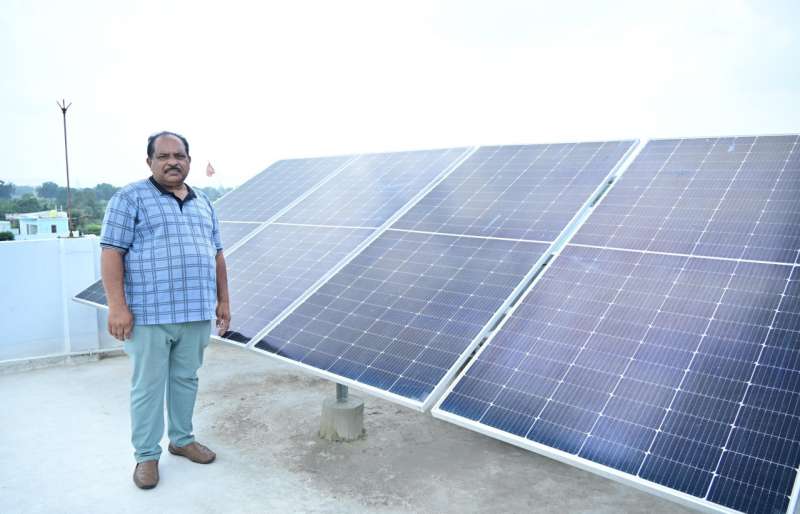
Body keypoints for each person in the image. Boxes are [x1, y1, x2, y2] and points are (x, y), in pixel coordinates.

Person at [100, 131, 231, 490]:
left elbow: (217, 254)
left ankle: (182, 439)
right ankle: (146, 456)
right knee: (148, 386)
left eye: (179, 155)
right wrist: (117, 307)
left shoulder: (204, 202)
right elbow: (111, 252)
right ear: (150, 162)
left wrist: (223, 300)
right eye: (163, 156)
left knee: (186, 379)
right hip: (149, 314)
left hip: (195, 312)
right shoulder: (129, 198)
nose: (173, 162)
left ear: (189, 160)